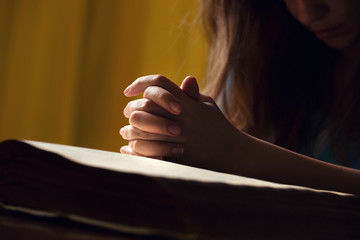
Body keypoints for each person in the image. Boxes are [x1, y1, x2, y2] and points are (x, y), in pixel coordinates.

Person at [120, 0, 360, 195]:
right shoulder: (264, 53)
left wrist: (236, 152)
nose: (307, 13)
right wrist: (171, 141)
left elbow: (226, 149)